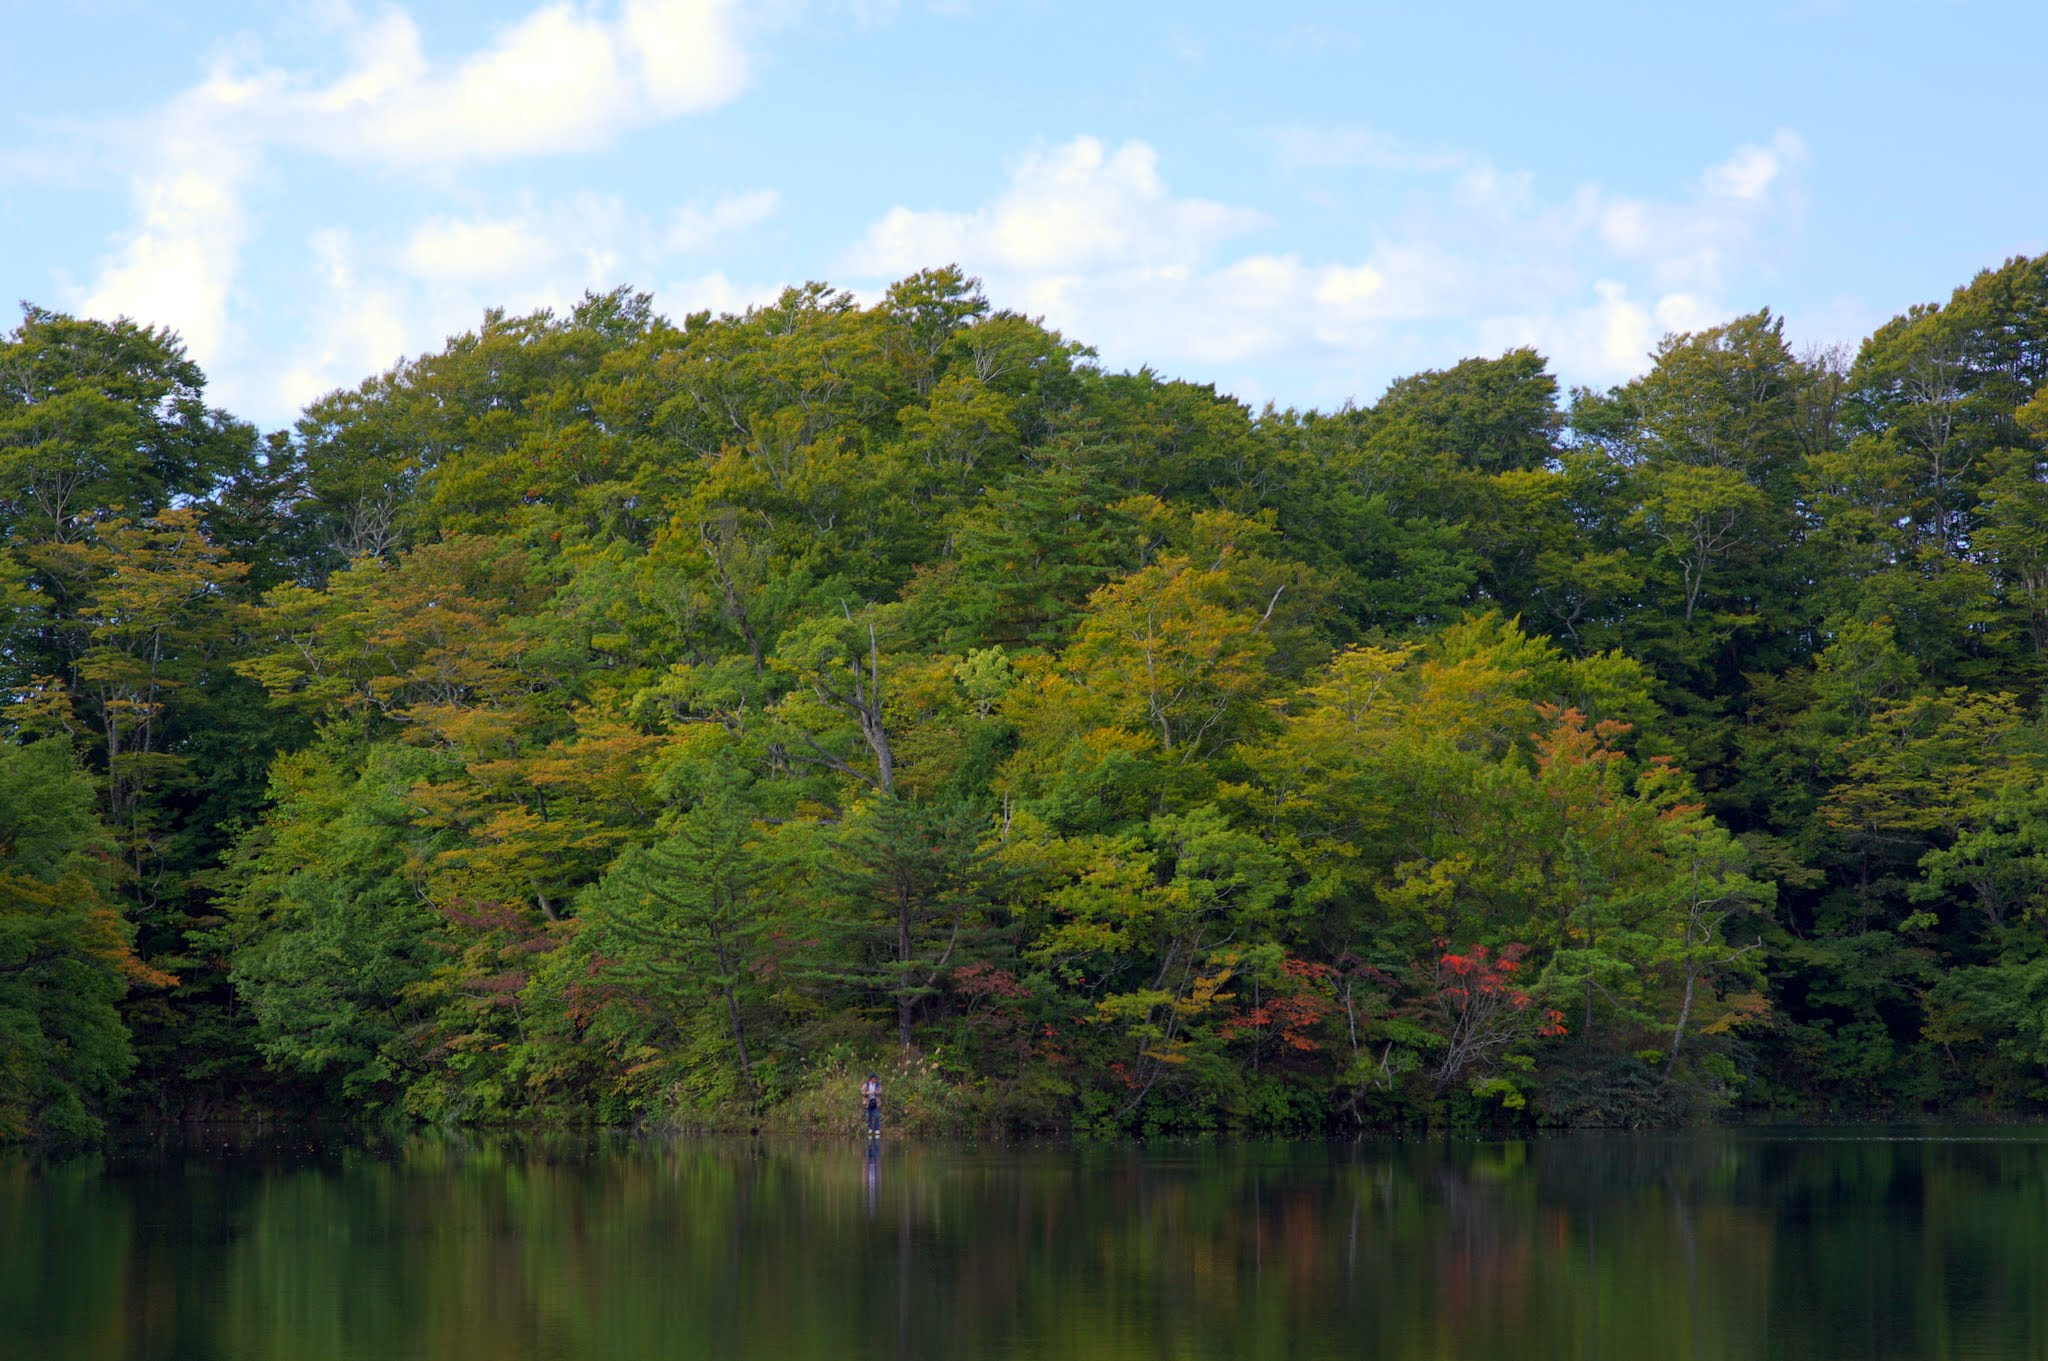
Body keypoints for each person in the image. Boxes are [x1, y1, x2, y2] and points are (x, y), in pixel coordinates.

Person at [861, 1071, 882, 1137]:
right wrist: (867, 1093)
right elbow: (862, 1091)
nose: (876, 1079)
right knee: (869, 1116)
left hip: (875, 1102)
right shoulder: (866, 1084)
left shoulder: (878, 1085)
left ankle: (876, 1129)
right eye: (875, 1078)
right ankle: (870, 1129)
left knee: (876, 1116)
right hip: (868, 1102)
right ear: (872, 1078)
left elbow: (881, 1091)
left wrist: (876, 1092)